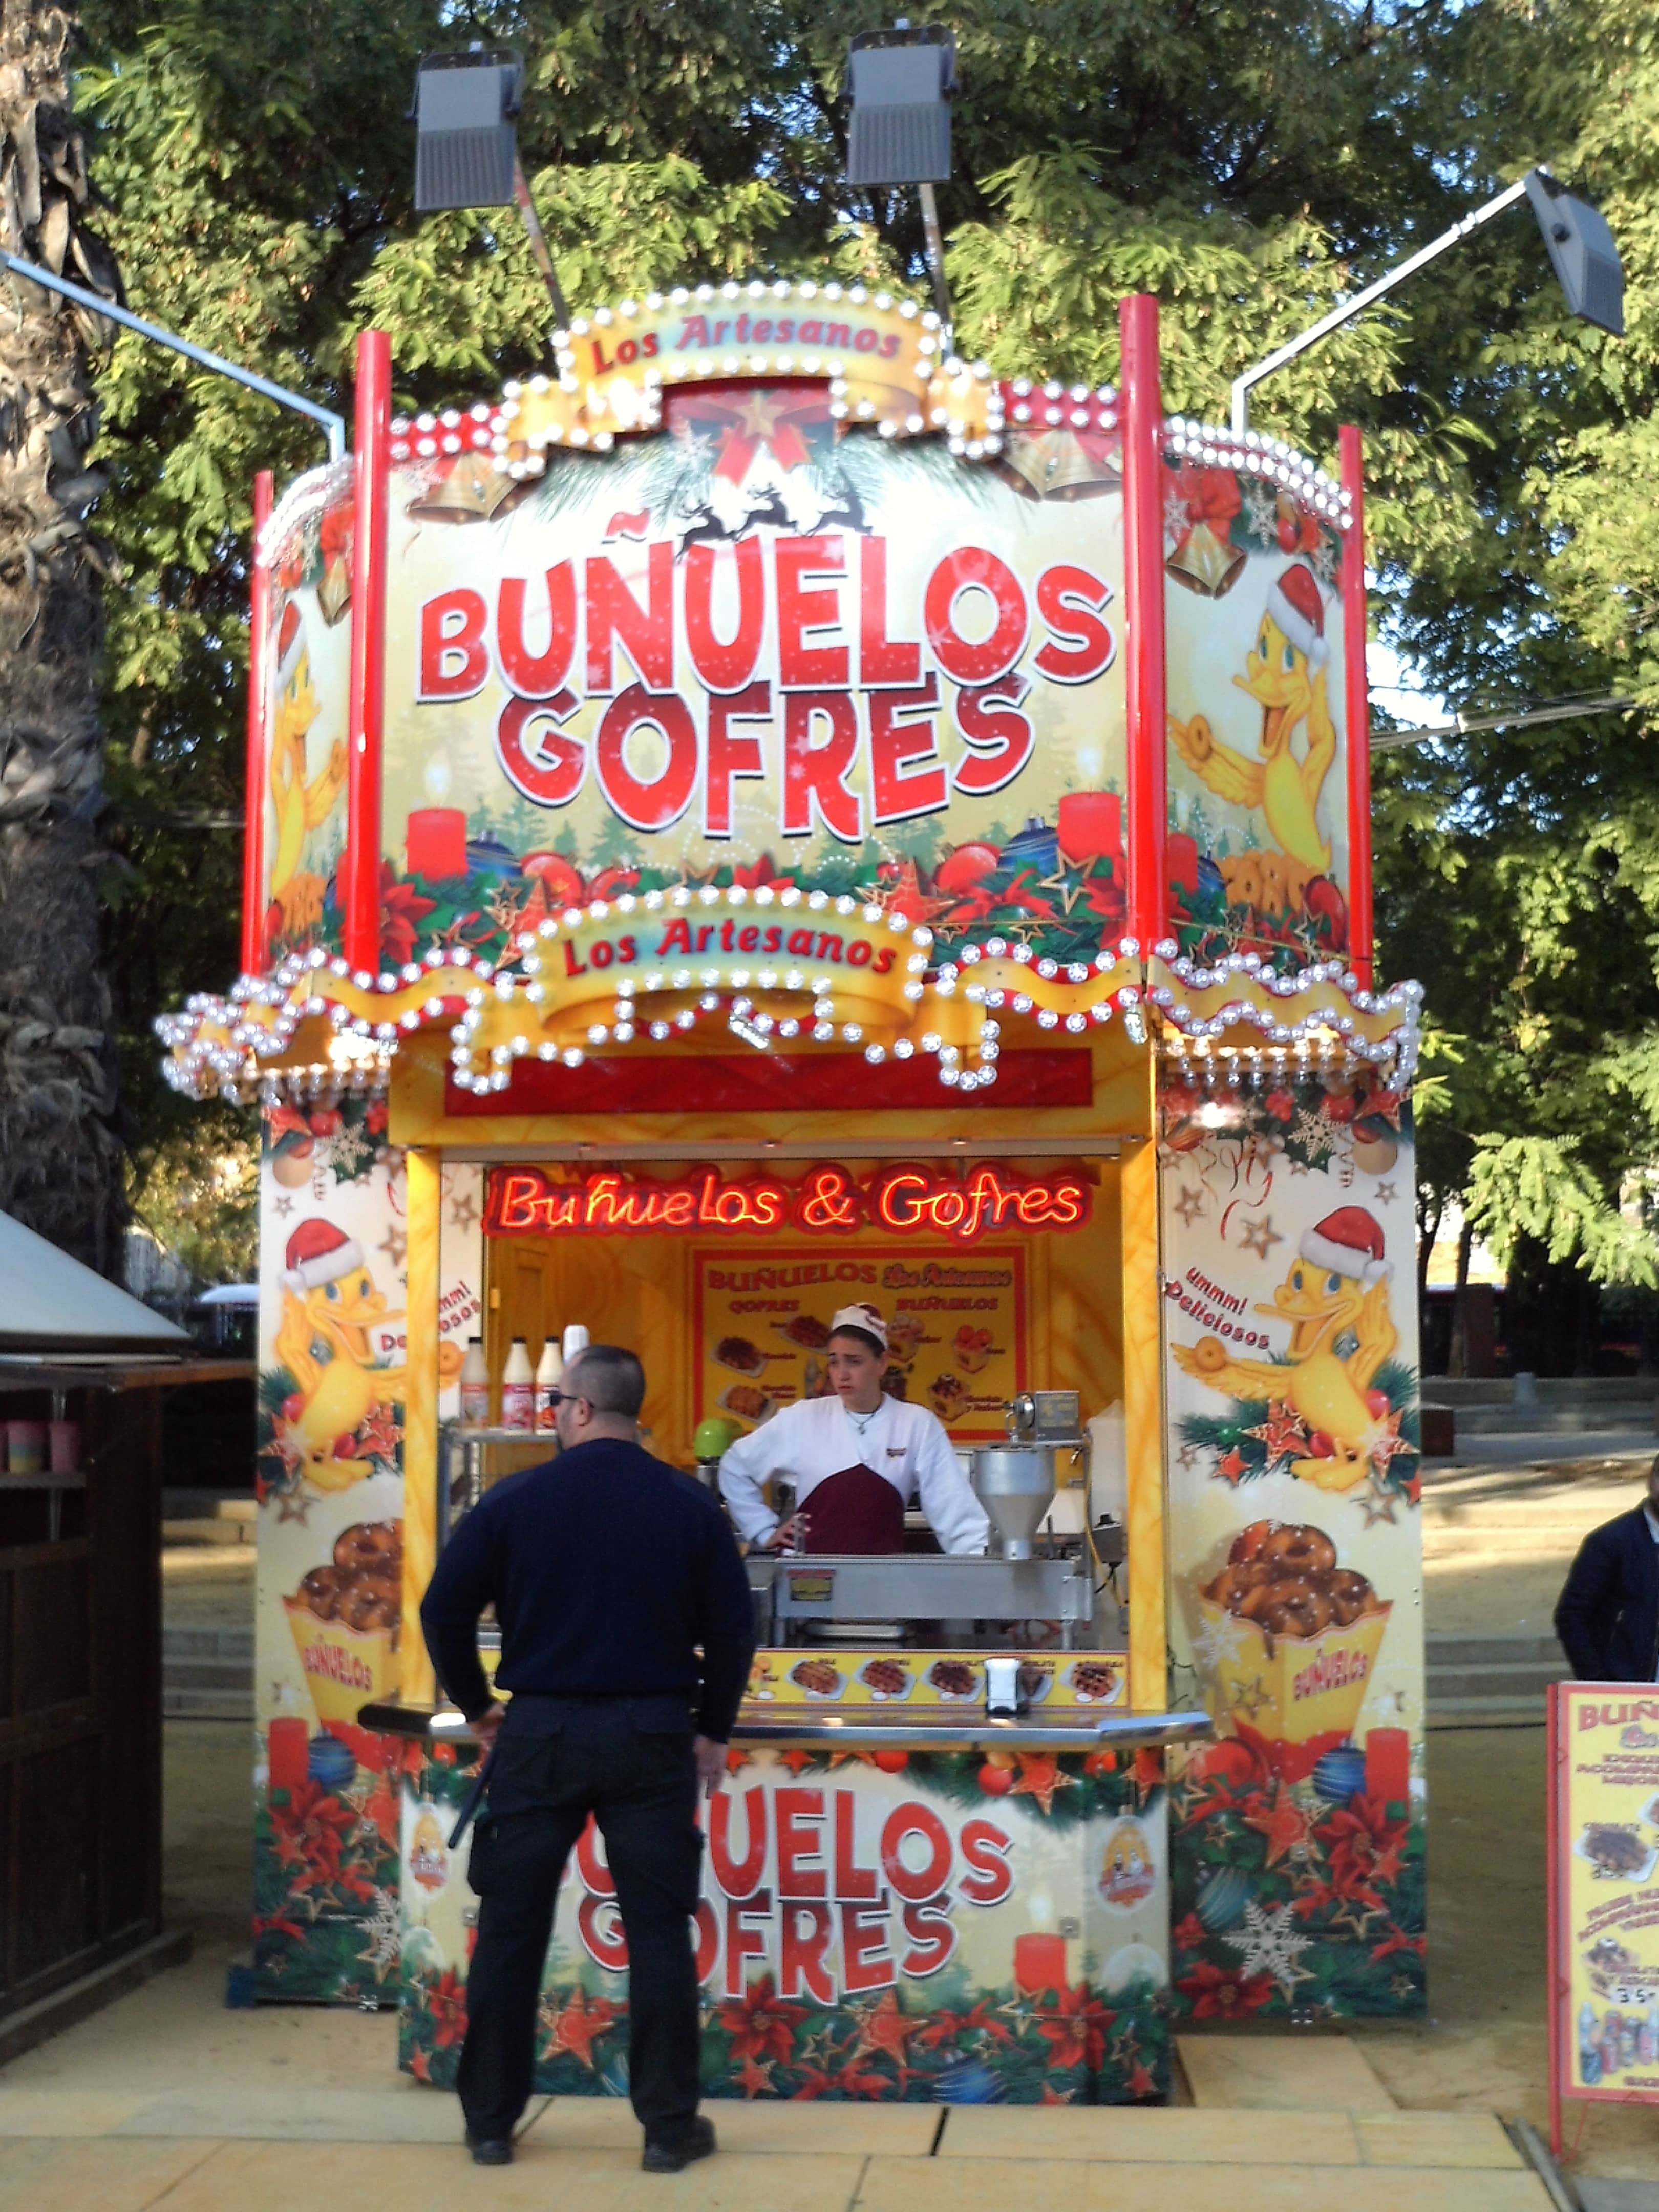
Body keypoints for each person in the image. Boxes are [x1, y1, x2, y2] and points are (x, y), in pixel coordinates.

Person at [420, 1343, 755, 2174]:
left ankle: (491, 2125)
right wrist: (712, 1726)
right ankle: (667, 2130)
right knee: (659, 1934)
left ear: (575, 1409)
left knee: (510, 1930)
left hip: (540, 1735)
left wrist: (477, 1708)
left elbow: (442, 1609)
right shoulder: (687, 1504)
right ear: (630, 1413)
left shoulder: (514, 1500)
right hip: (652, 1734)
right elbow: (734, 1629)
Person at [718, 1302, 989, 1554]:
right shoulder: (803, 1417)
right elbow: (735, 1466)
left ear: (882, 1364)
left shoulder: (916, 1423)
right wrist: (763, 1529)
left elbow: (956, 1512)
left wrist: (983, 1567)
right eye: (834, 1361)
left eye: (854, 1361)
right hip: (809, 1582)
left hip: (882, 1581)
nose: (842, 1374)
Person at [1555, 1454, 1659, 1681]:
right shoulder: (1610, 1542)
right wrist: (1597, 1678)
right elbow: (1572, 1616)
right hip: (1626, 1694)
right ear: (1650, 1481)